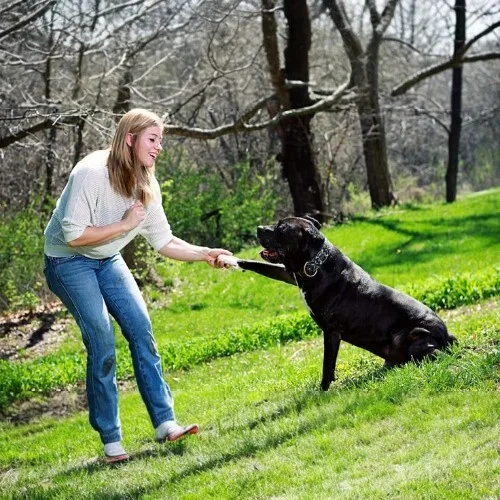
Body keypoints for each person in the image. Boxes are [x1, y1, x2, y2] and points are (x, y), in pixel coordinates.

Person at [43, 108, 232, 463]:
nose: (159, 147)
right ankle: (112, 441)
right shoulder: (91, 173)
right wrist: (125, 223)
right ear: (130, 138)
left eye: (161, 140)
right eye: (152, 139)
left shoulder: (145, 183)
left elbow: (164, 242)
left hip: (108, 259)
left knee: (141, 329)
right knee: (101, 336)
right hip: (67, 261)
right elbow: (75, 235)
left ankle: (165, 423)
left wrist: (206, 253)